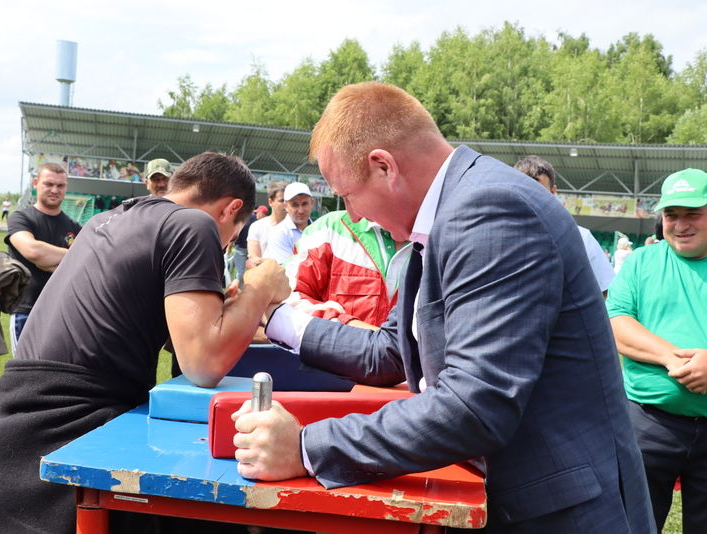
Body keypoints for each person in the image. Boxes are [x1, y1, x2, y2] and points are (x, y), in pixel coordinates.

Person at [232, 82, 655, 533]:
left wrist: (303, 447)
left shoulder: (489, 211)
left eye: (348, 194)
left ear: (383, 167)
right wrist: (274, 320)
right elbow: (391, 351)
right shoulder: (445, 217)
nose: (351, 215)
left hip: (563, 515)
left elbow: (475, 405)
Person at [0, 152, 290, 534]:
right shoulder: (194, 224)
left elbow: (177, 328)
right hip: (77, 423)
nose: (222, 249)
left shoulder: (105, 221)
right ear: (231, 209)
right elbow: (204, 363)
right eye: (230, 240)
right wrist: (261, 286)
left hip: (15, 435)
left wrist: (266, 320)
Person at [606, 168, 707, 533]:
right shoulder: (640, 263)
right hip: (648, 425)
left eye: (692, 213)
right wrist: (671, 357)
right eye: (671, 214)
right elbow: (616, 322)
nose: (680, 224)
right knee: (632, 524)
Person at [285, 210, 410, 329]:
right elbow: (285, 299)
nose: (352, 212)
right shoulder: (329, 229)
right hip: (339, 349)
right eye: (345, 196)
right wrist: (348, 327)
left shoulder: (427, 239)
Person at [5, 163, 82, 345]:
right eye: (49, 184)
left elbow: (86, 262)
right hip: (27, 311)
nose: (55, 190)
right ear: (36, 183)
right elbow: (33, 251)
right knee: (26, 372)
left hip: (62, 312)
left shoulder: (74, 227)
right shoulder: (21, 218)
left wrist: (51, 259)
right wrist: (71, 256)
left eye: (60, 186)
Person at [514, 155, 615, 294]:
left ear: (553, 191)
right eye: (523, 188)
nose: (530, 195)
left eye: (537, 188)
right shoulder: (496, 234)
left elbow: (605, 291)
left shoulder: (580, 237)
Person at [263, 182, 314, 264]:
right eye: (295, 205)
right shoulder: (279, 233)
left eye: (304, 204)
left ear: (312, 203)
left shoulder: (322, 229)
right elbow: (289, 270)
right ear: (286, 206)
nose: (301, 210)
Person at [247, 182, 287, 265]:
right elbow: (254, 258)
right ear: (270, 202)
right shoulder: (257, 227)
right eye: (282, 201)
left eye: (289, 201)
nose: (286, 204)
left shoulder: (297, 227)